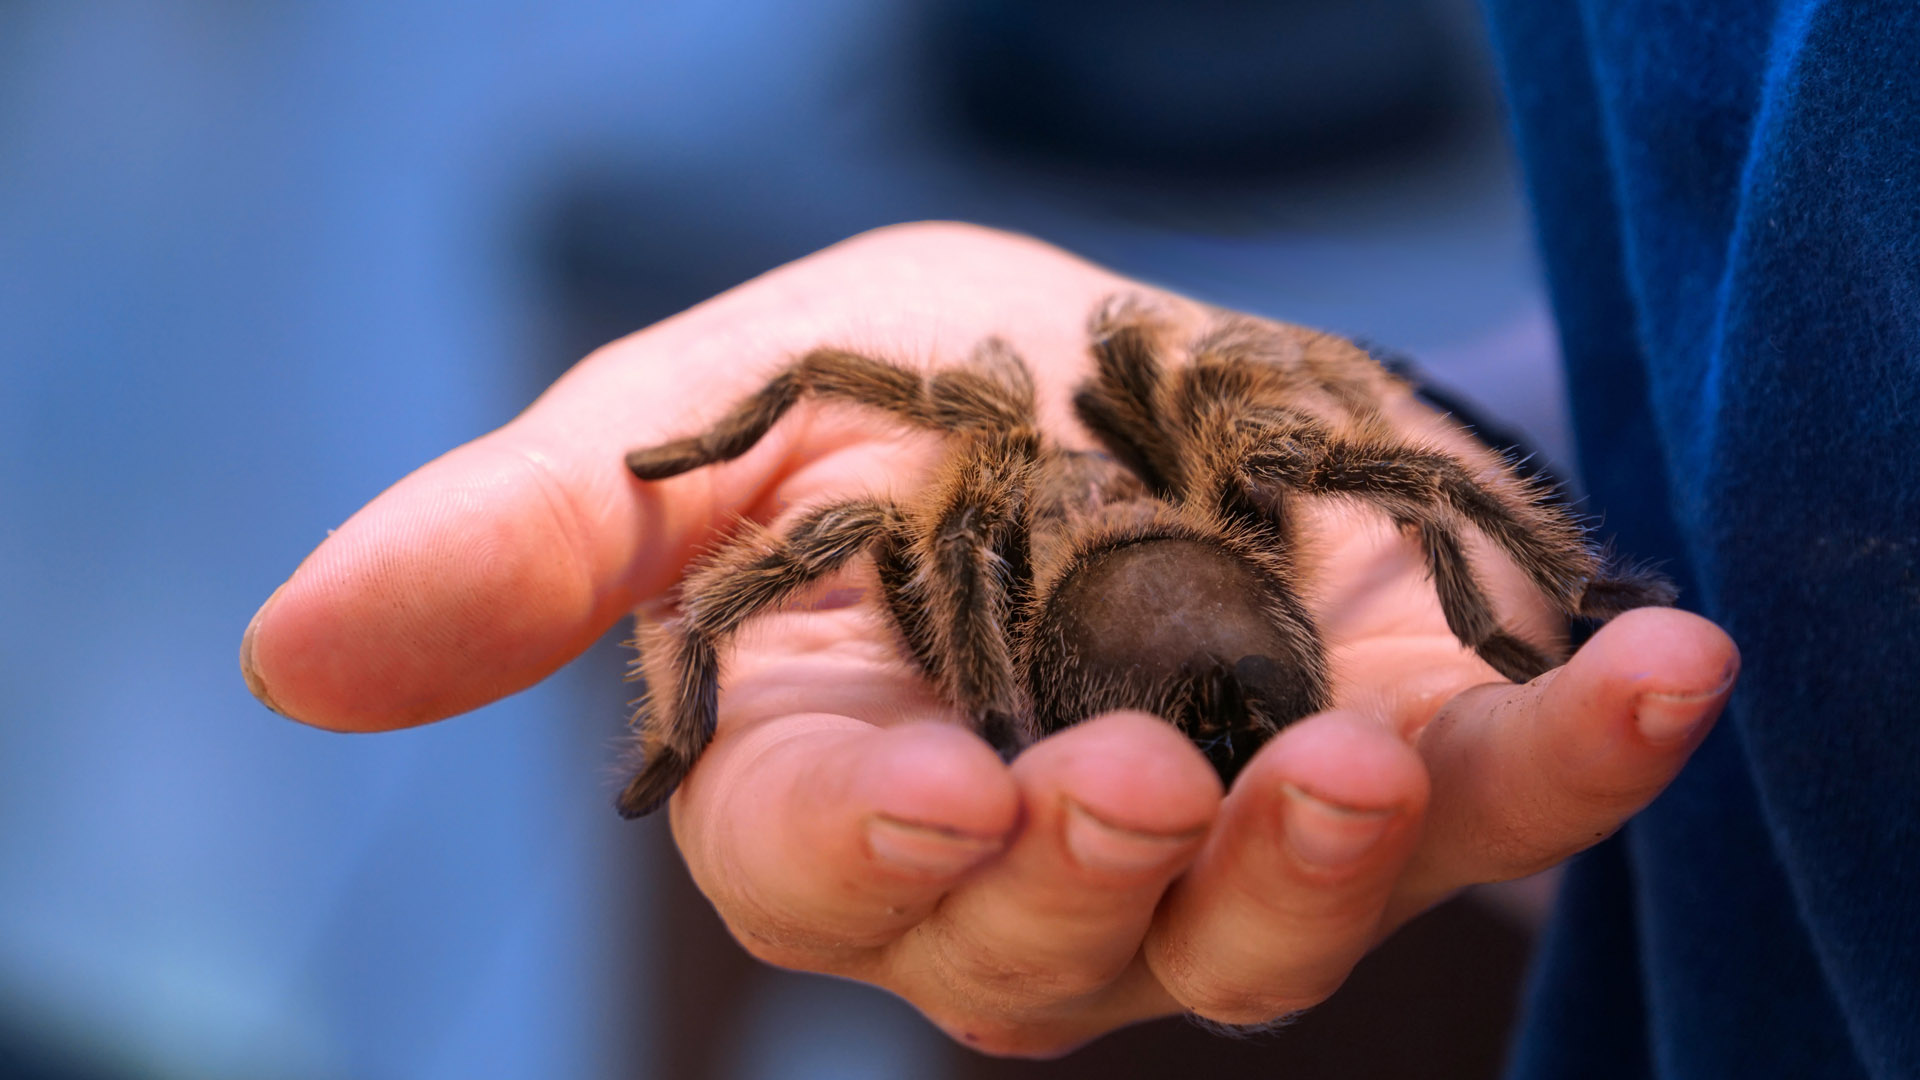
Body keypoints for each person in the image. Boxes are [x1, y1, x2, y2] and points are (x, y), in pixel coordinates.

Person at [243, 2, 1918, 1074]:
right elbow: (1350, 390)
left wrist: (981, 710)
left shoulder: (948, 527)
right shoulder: (1213, 472)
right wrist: (1454, 429)